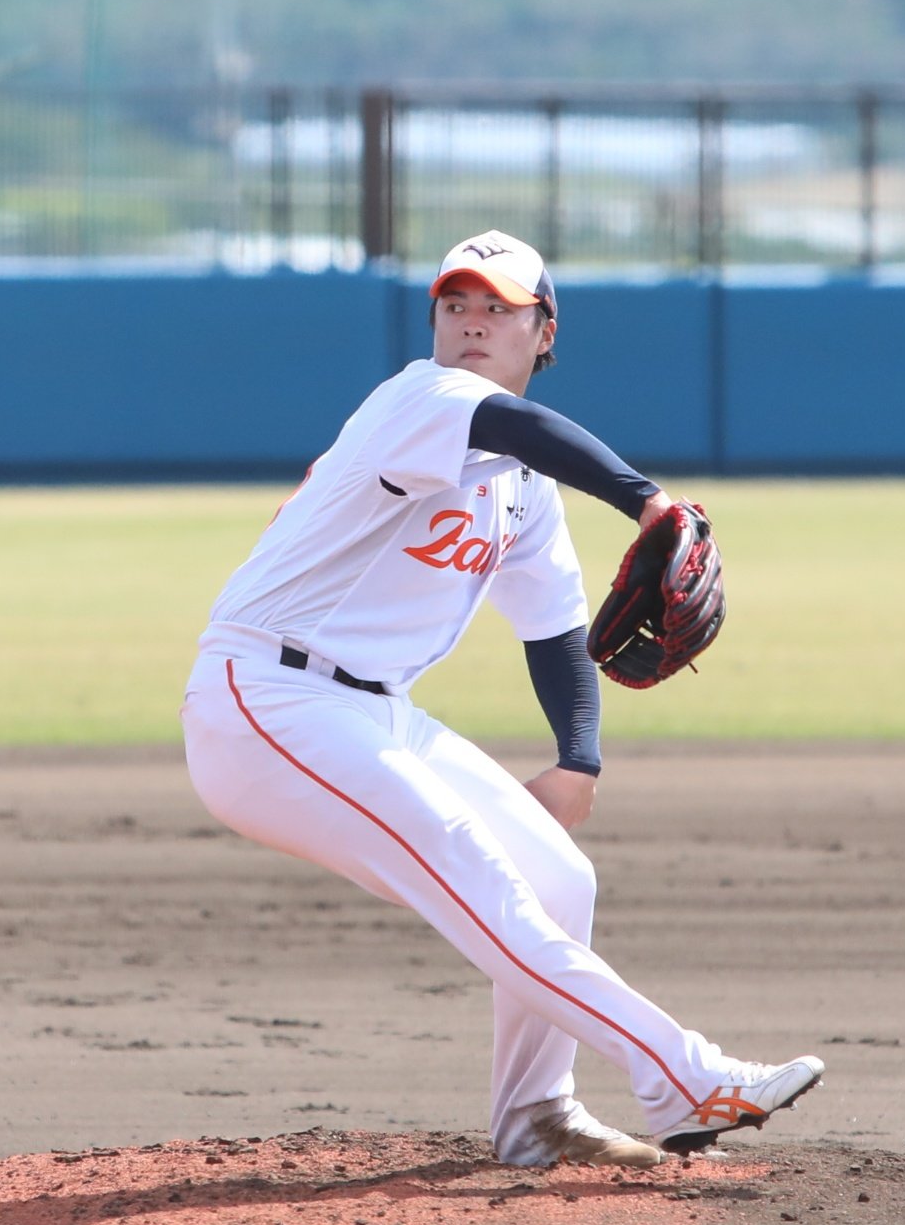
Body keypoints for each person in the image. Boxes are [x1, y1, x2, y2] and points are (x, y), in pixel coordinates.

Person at [181, 229, 823, 1169]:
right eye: (456, 305)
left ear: (544, 331)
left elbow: (555, 626)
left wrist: (577, 758)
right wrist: (646, 501)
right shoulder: (422, 398)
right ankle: (686, 1078)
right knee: (479, 873)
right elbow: (518, 426)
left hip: (368, 710)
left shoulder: (522, 487)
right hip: (264, 699)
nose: (473, 323)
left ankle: (538, 1116)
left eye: (498, 308)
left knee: (561, 878)